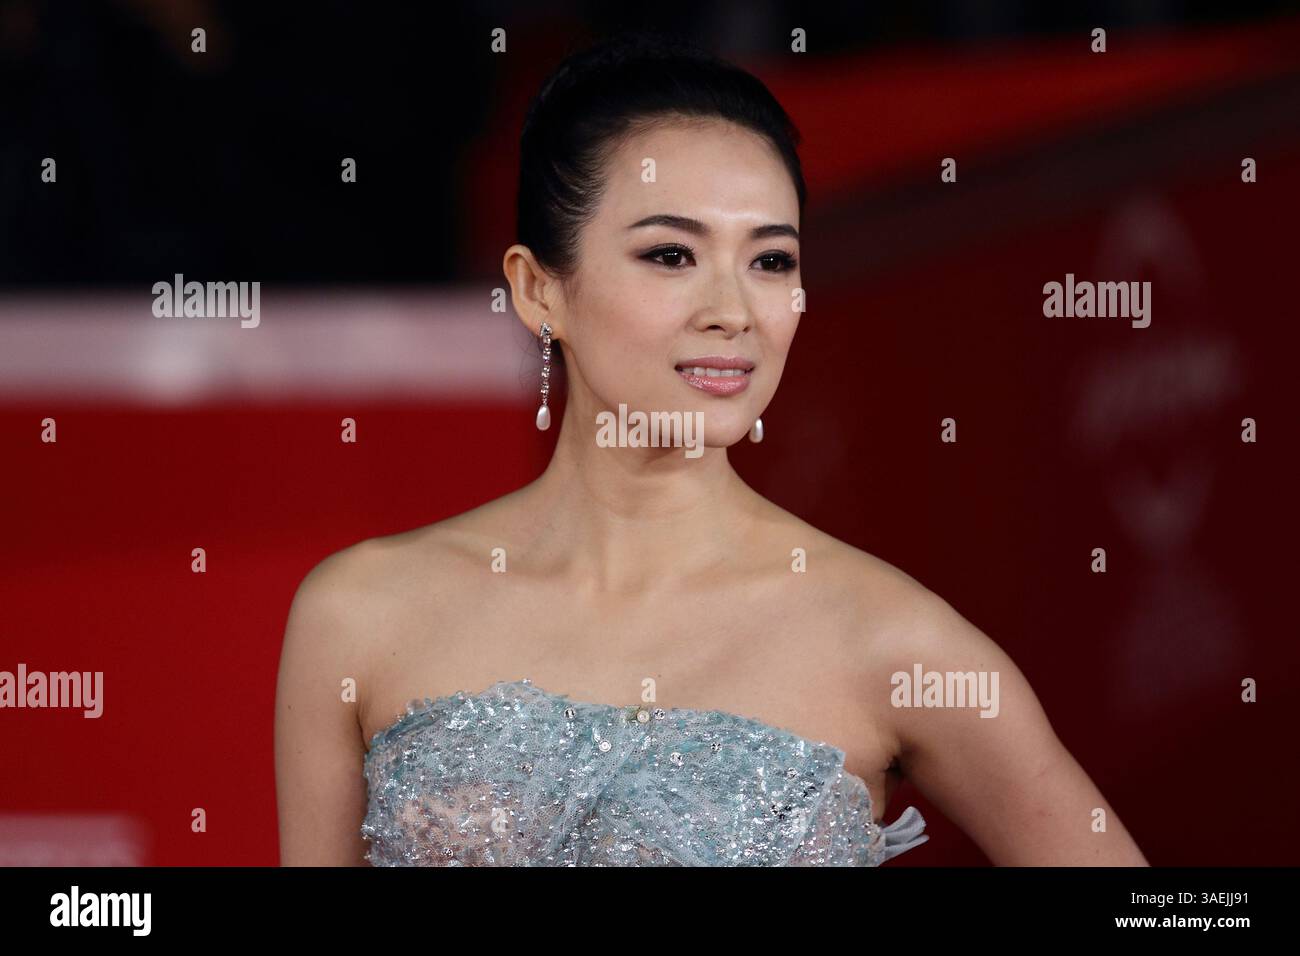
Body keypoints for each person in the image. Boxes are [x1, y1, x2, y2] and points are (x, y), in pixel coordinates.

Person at [275, 31, 1148, 866]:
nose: (733, 310)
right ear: (539, 289)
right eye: (670, 254)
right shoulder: (360, 615)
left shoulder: (892, 641)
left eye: (771, 262)